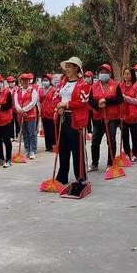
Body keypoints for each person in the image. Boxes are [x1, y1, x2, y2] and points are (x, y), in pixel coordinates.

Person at [54, 57, 90, 186]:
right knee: (63, 148)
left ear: (76, 68)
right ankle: (62, 176)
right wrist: (57, 107)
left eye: (70, 66)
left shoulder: (84, 85)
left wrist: (65, 105)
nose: (67, 69)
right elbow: (55, 98)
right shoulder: (62, 84)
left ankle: (81, 176)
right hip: (63, 119)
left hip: (76, 120)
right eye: (66, 66)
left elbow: (82, 102)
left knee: (77, 149)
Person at [88, 63, 123, 171]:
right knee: (95, 141)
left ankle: (110, 163)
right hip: (98, 117)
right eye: (101, 72)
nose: (103, 74)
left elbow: (119, 99)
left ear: (109, 74)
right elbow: (90, 101)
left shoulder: (115, 85)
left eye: (105, 72)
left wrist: (106, 102)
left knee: (111, 140)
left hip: (111, 118)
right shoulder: (94, 86)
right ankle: (94, 164)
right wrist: (98, 104)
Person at [14, 73, 38, 159]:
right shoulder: (17, 91)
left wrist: (24, 109)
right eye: (23, 80)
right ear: (20, 81)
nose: (25, 82)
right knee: (25, 134)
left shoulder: (33, 90)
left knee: (32, 133)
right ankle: (27, 150)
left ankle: (33, 150)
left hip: (30, 115)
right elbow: (16, 102)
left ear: (29, 81)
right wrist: (20, 110)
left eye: (26, 80)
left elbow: (33, 102)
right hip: (21, 115)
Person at [120, 67, 137, 161]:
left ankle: (135, 153)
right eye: (125, 74)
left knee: (134, 135)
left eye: (128, 74)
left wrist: (126, 98)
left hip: (134, 115)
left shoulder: (136, 86)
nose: (126, 76)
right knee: (125, 136)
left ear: (132, 75)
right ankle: (127, 153)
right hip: (123, 115)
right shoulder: (120, 86)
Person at [38, 73, 56, 151]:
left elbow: (55, 101)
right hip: (44, 113)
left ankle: (53, 145)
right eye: (43, 80)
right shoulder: (41, 90)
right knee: (46, 130)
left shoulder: (53, 90)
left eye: (46, 80)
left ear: (50, 81)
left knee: (52, 130)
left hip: (51, 113)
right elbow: (39, 101)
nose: (45, 82)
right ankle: (48, 146)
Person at [7, 76, 20, 140]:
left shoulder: (18, 89)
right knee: (10, 122)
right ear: (8, 83)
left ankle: (18, 135)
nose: (12, 83)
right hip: (10, 109)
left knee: (17, 122)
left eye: (13, 82)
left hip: (16, 108)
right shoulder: (6, 90)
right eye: (11, 82)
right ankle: (11, 136)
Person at [84, 70, 94, 136]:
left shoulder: (94, 85)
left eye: (88, 76)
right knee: (88, 119)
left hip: (93, 106)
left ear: (91, 77)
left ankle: (95, 131)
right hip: (86, 106)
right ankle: (89, 131)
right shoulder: (84, 86)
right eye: (86, 76)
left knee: (94, 119)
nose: (87, 78)